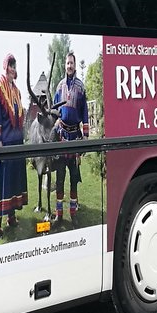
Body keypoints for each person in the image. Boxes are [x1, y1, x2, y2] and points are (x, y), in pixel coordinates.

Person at [0, 53, 28, 239]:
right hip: (4, 143)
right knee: (1, 182)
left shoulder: (18, 91)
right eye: (10, 65)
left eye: (15, 65)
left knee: (14, 181)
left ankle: (11, 216)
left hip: (17, 142)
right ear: (5, 67)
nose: (13, 69)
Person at [51, 52, 89, 224]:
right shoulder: (59, 86)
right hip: (61, 138)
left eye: (72, 63)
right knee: (60, 178)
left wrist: (86, 136)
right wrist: (56, 120)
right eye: (67, 63)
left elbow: (85, 112)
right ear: (65, 65)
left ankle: (73, 213)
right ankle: (59, 215)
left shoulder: (81, 87)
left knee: (74, 178)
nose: (69, 66)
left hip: (75, 138)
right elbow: (54, 109)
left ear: (74, 65)